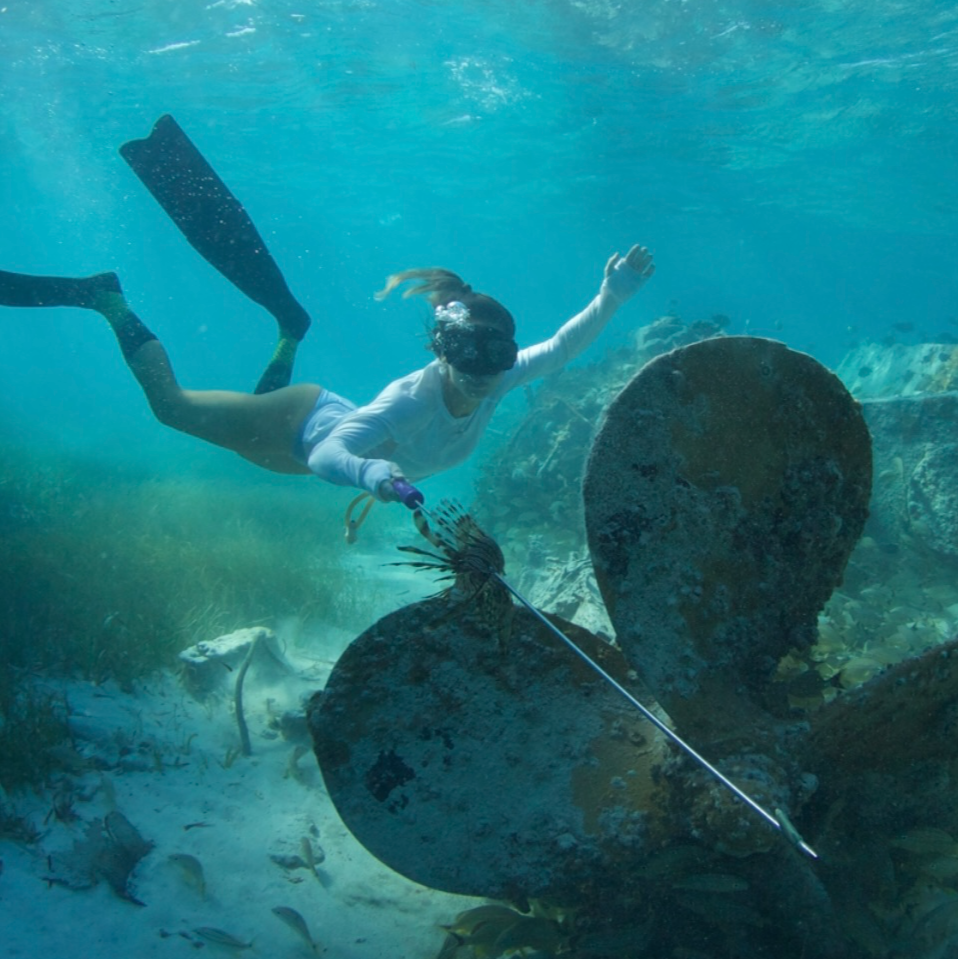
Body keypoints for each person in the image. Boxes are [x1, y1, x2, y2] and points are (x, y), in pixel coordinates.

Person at [0, 245, 654, 505]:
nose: (487, 376)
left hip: (294, 444)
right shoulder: (407, 402)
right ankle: (105, 297)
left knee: (244, 449)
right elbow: (329, 452)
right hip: (302, 424)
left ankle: (289, 330)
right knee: (170, 409)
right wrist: (373, 473)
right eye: (471, 359)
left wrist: (613, 295)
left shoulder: (502, 374)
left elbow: (565, 345)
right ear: (441, 352)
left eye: (500, 359)